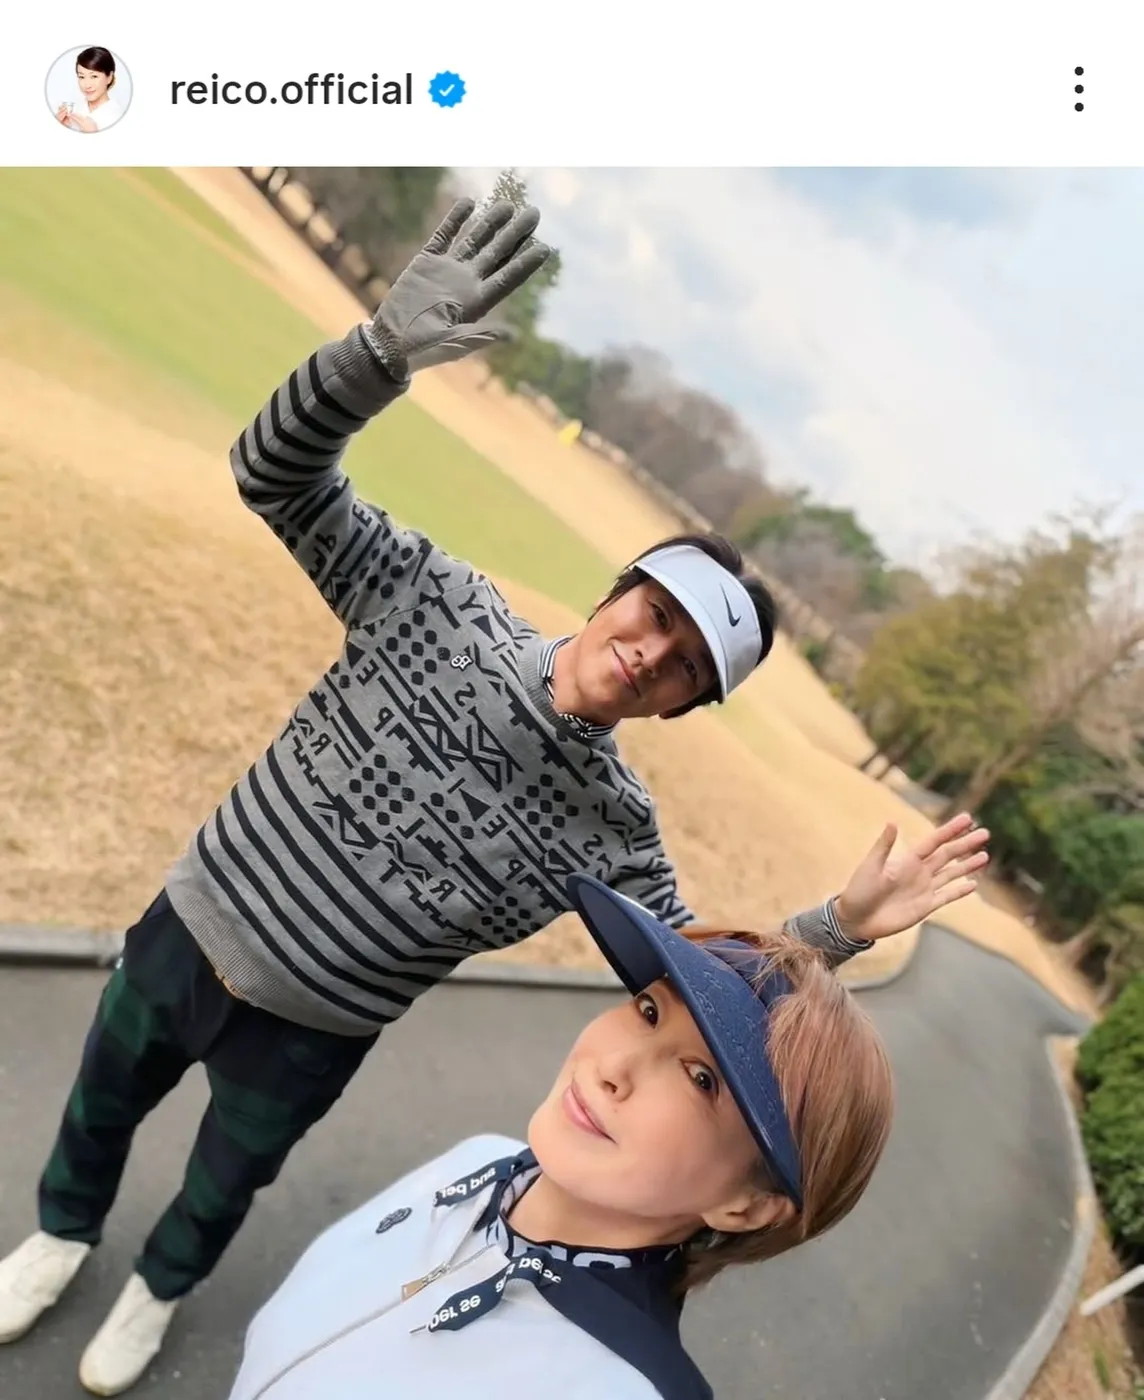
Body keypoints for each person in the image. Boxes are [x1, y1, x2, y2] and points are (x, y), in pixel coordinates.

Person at [0, 196, 988, 1396]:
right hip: (191, 923)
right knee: (101, 1099)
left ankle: (158, 1288)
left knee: (224, 1180)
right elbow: (271, 471)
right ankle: (60, 1232)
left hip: (314, 1031)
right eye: (654, 613)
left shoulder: (613, 828)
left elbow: (710, 990)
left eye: (686, 664)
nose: (650, 652)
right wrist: (378, 353)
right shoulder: (435, 599)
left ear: (684, 704)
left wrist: (841, 925)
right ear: (616, 591)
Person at [225, 874, 895, 1399]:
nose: (613, 1067)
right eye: (648, 1010)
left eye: (700, 1080)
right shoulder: (483, 1160)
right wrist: (832, 929)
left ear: (746, 1207)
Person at [55, 47, 124, 132]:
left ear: (109, 77)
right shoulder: (74, 110)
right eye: (81, 77)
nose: (87, 85)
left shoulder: (118, 117)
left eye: (94, 76)